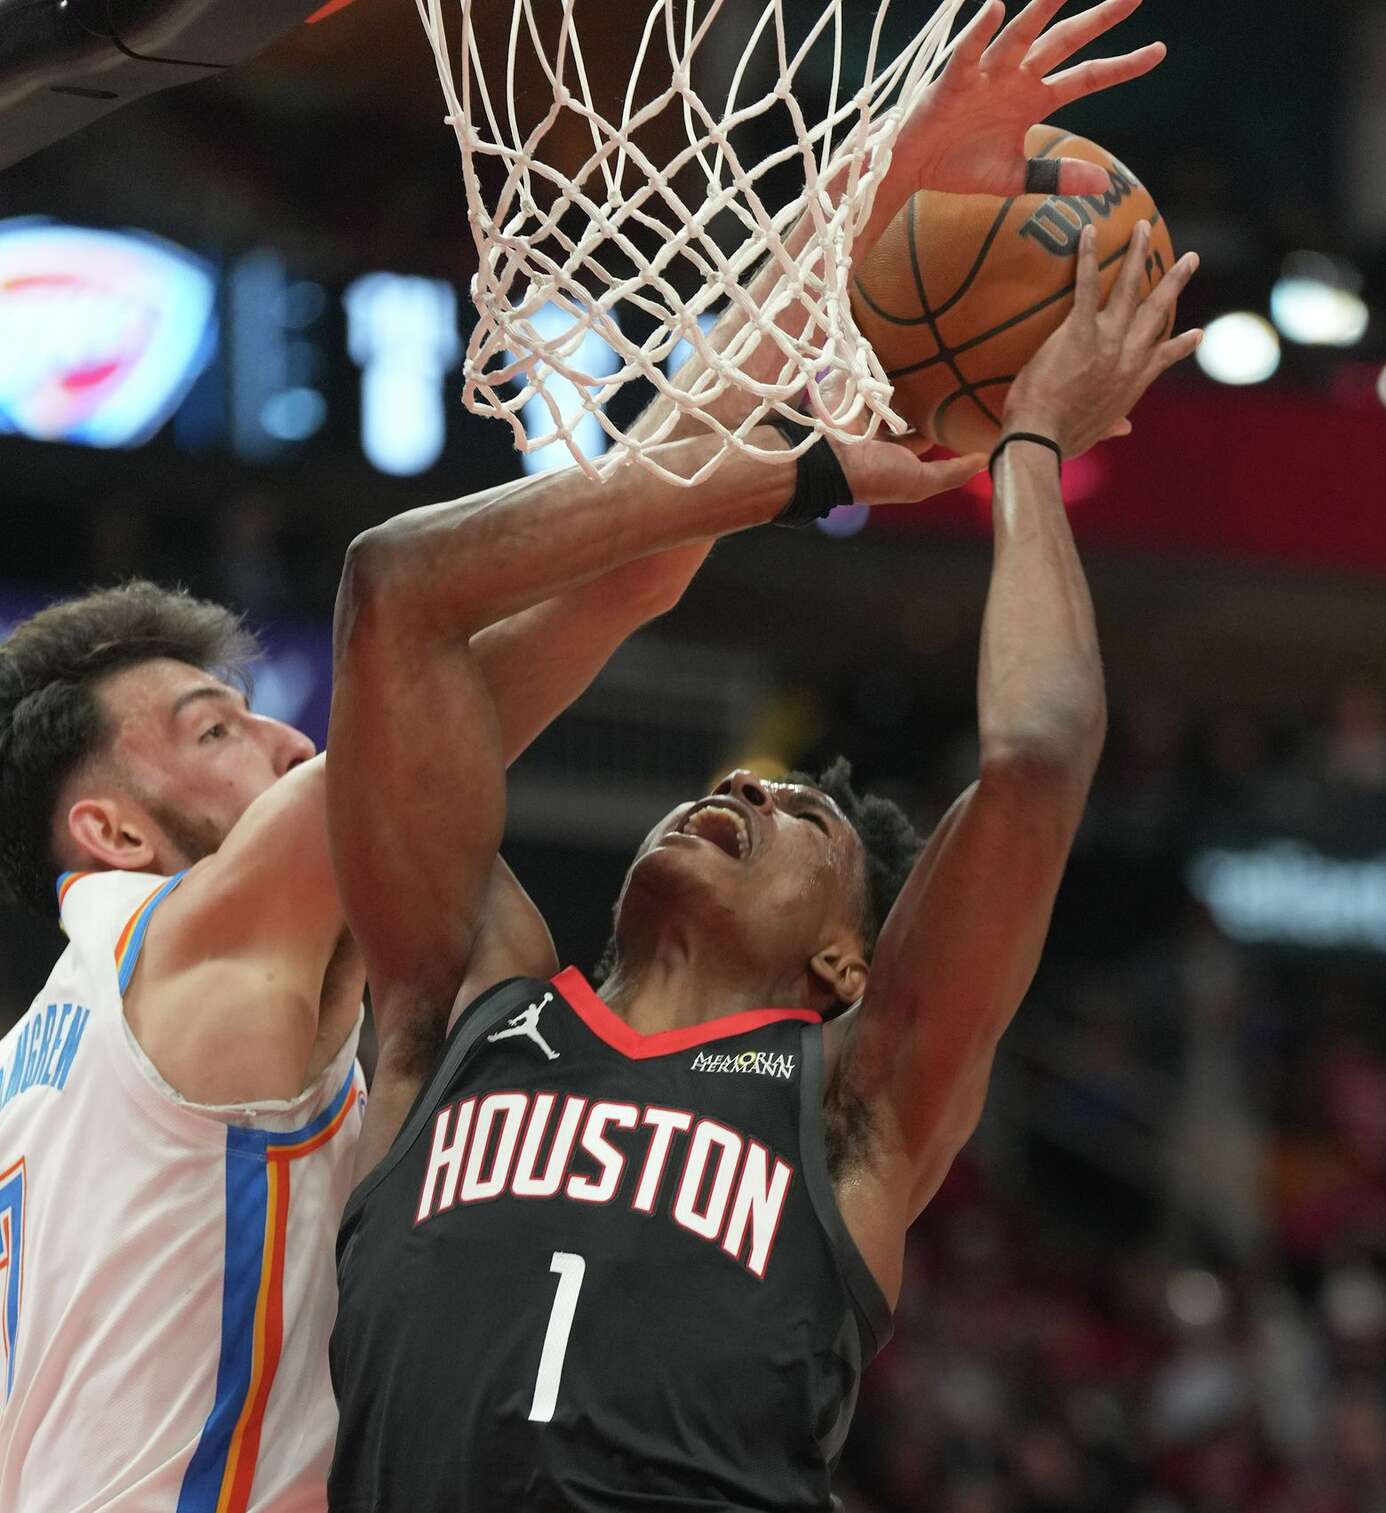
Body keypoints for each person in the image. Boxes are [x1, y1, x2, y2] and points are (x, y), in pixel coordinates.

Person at [0, 3, 1164, 1506]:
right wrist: (811, 445)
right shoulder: (188, 939)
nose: (290, 736)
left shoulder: (70, 1060)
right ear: (109, 833)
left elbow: (615, 570)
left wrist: (857, 208)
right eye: (216, 731)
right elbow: (515, 589)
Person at [324, 185, 1201, 1507]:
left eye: (804, 816)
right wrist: (797, 475)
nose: (743, 782)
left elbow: (1037, 758)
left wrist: (1030, 447)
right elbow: (394, 591)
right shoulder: (462, 1006)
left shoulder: (853, 1106)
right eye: (755, 782)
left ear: (846, 959)